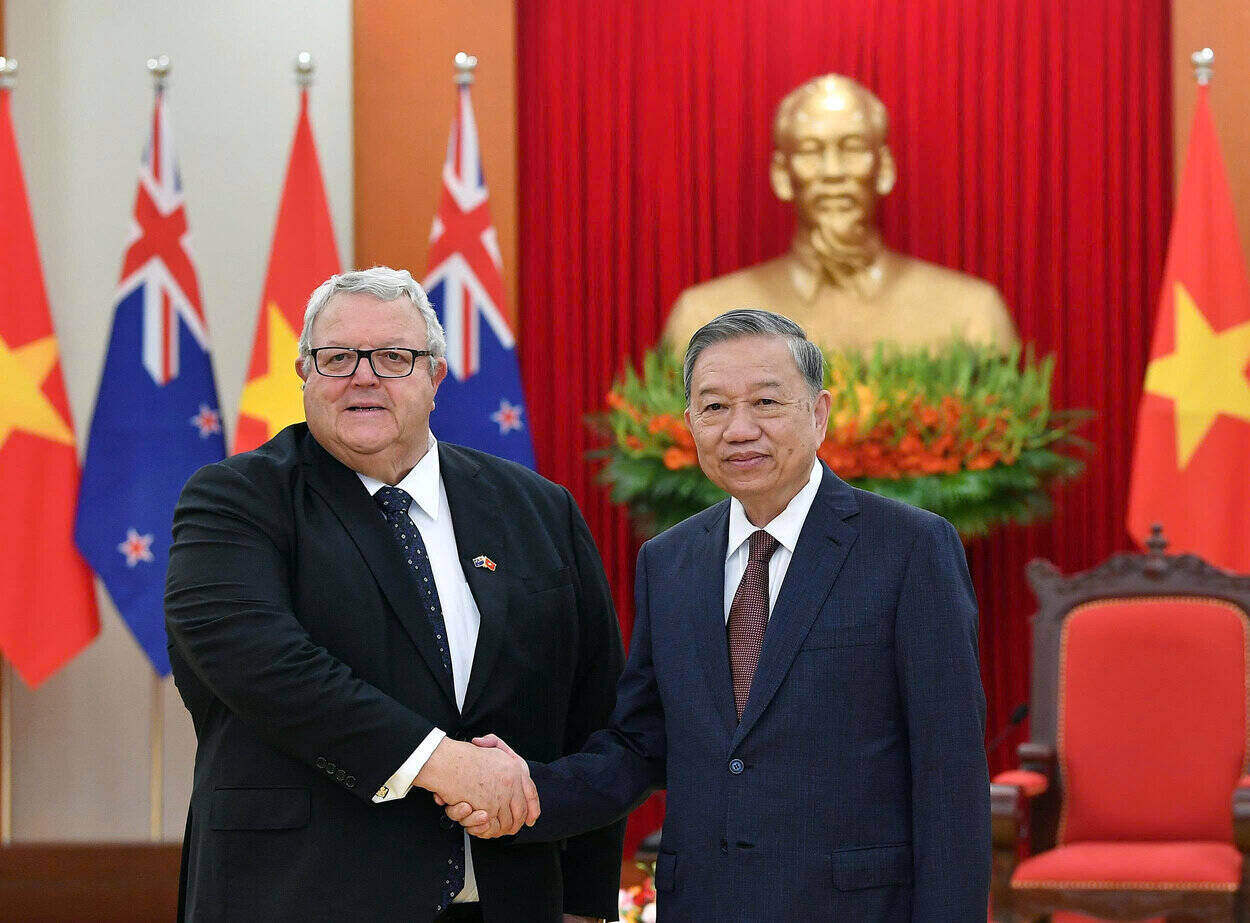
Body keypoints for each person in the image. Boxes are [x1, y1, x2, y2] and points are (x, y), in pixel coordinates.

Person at [448, 309, 991, 920]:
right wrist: (528, 793)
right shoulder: (669, 561)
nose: (739, 429)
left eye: (765, 402)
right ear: (689, 425)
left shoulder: (909, 547)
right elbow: (640, 743)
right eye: (714, 408)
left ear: (819, 413)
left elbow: (951, 773)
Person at [164, 267, 624, 922]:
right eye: (337, 357)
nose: (363, 375)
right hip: (300, 897)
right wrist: (444, 764)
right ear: (305, 374)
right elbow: (266, 666)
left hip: (512, 899)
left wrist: (584, 903)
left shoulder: (539, 509)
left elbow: (593, 710)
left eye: (393, 357)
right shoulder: (235, 500)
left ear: (435, 376)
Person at [663, 75, 1018, 356]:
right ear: (782, 175)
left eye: (852, 148)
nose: (833, 172)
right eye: (810, 151)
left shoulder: (973, 315)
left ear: (884, 169)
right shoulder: (703, 317)